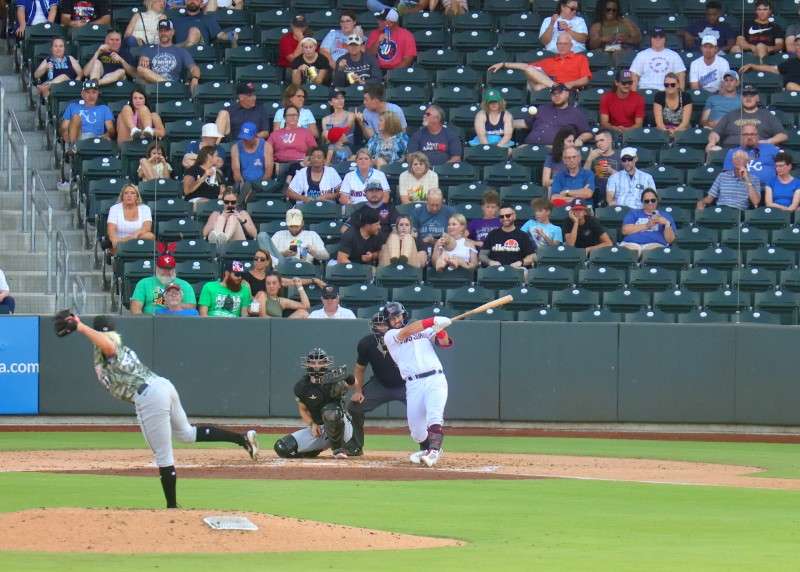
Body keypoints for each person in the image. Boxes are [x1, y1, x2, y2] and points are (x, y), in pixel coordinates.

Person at [52, 311, 258, 509]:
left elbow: (107, 345)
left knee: (163, 454)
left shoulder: (107, 345)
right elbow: (105, 343)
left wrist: (80, 326)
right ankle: (242, 439)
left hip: (149, 396)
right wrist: (80, 324)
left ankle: (171, 507)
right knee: (186, 434)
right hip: (163, 386)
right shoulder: (115, 344)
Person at [381, 302, 454, 467]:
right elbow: (407, 331)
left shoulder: (424, 330)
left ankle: (434, 451)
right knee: (417, 432)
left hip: (435, 378)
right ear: (388, 322)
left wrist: (440, 330)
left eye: (398, 316)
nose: (396, 320)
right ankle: (429, 448)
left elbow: (443, 343)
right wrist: (433, 320)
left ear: (403, 315)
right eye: (392, 318)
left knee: (434, 416)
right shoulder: (390, 336)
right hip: (413, 384)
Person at [273, 348, 357, 459]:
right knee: (282, 447)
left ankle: (338, 449)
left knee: (330, 412)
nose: (316, 366)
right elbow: (302, 409)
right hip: (321, 430)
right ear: (307, 364)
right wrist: (312, 424)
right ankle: (315, 450)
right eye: (313, 362)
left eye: (320, 362)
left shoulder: (335, 378)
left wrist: (347, 377)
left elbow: (355, 385)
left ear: (326, 363)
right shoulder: (302, 386)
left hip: (341, 426)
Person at [347, 313, 407, 455]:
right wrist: (358, 391)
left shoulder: (406, 338)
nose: (382, 328)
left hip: (407, 384)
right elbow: (360, 369)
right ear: (373, 326)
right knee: (355, 408)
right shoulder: (366, 343)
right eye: (378, 325)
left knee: (423, 411)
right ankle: (355, 446)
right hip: (380, 384)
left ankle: (428, 448)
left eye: (385, 324)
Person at [488, 34, 591, 92]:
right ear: (556, 45)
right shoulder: (549, 61)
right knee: (529, 70)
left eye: (565, 44)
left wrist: (569, 84)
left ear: (571, 45)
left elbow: (585, 80)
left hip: (569, 92)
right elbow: (526, 67)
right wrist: (504, 64)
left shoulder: (580, 59)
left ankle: (555, 87)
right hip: (550, 93)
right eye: (559, 44)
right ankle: (554, 86)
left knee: (539, 86)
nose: (562, 46)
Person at [706, 85, 787, 150]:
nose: (748, 98)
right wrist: (712, 142)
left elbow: (783, 135)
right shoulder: (730, 115)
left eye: (751, 95)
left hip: (757, 150)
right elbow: (715, 132)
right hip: (731, 150)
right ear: (741, 98)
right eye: (745, 95)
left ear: (757, 98)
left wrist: (767, 142)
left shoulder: (767, 115)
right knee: (711, 149)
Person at [519, 83, 591, 146]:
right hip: (528, 146)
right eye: (554, 94)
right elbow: (526, 123)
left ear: (567, 94)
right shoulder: (542, 108)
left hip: (554, 150)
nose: (556, 96)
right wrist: (509, 122)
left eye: (560, 93)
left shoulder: (575, 113)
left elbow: (588, 133)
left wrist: (580, 139)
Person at [137, 20, 201, 88]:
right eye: (161, 31)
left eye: (166, 30)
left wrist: (195, 78)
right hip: (155, 87)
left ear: (173, 32)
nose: (163, 33)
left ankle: (170, 85)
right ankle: (169, 84)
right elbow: (141, 71)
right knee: (140, 69)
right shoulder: (148, 50)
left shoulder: (181, 51)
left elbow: (194, 68)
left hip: (174, 87)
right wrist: (143, 60)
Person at [130, 254, 196, 315]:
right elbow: (135, 309)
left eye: (169, 269)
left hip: (178, 320)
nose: (167, 272)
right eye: (163, 269)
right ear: (157, 268)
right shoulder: (144, 283)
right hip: (150, 322)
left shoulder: (185, 285)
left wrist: (172, 303)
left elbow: (192, 307)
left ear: (174, 269)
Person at [619, 189, 675, 260]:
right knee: (631, 253)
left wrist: (667, 224)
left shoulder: (665, 216)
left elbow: (670, 240)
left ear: (657, 200)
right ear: (642, 202)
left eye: (653, 200)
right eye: (646, 201)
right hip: (632, 243)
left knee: (650, 254)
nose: (650, 203)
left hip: (655, 244)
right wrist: (647, 225)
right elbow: (625, 230)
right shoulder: (634, 213)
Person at [61, 80, 114, 153]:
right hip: (79, 138)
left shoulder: (104, 108)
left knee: (108, 139)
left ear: (98, 94)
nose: (91, 96)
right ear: (82, 94)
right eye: (87, 92)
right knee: (76, 117)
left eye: (94, 92)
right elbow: (64, 127)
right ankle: (72, 148)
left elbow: (111, 129)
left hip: (98, 138)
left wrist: (106, 135)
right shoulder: (72, 106)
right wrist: (66, 135)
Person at [697, 150, 762, 210]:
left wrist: (747, 179)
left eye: (742, 158)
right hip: (721, 209)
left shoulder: (754, 179)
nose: (738, 160)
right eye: (736, 158)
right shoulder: (722, 176)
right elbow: (710, 198)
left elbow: (755, 202)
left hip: (737, 212)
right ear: (732, 161)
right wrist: (702, 202)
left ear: (747, 162)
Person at [266, 105, 318, 178]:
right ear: (284, 118)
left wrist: (306, 161)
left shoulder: (306, 133)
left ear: (298, 116)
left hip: (301, 165)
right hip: (281, 165)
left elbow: (314, 151)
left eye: (295, 115)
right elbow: (267, 151)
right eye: (289, 115)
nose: (293, 117)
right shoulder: (275, 134)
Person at [630, 27, 686, 91]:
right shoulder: (641, 55)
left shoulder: (674, 55)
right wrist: (634, 94)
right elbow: (634, 76)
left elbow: (681, 75)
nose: (658, 39)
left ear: (665, 39)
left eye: (661, 37)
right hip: (645, 89)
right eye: (655, 37)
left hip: (666, 91)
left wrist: (681, 94)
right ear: (651, 39)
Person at [106, 184, 154, 253]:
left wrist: (132, 237)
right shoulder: (114, 208)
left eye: (132, 193)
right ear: (122, 197)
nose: (129, 195)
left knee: (149, 235)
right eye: (126, 193)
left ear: (137, 197)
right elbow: (111, 230)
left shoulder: (145, 208)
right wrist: (115, 239)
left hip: (137, 239)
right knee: (113, 240)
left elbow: (147, 227)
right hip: (119, 242)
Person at [599, 69, 645, 135]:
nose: (627, 85)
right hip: (612, 132)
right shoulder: (606, 98)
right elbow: (604, 122)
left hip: (632, 133)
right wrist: (614, 128)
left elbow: (639, 124)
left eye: (630, 83)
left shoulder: (638, 98)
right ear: (616, 83)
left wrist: (627, 130)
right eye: (624, 83)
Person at [583, 129, 619, 206]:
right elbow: (584, 178)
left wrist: (612, 171)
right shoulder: (593, 156)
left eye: (602, 140)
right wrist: (589, 159)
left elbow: (628, 178)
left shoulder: (620, 156)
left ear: (610, 140)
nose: (599, 144)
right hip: (596, 196)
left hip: (616, 196)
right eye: (597, 141)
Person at [230, 122, 269, 191]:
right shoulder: (235, 147)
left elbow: (268, 170)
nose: (245, 140)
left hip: (261, 184)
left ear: (255, 136)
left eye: (248, 138)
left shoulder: (266, 146)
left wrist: (261, 186)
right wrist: (243, 188)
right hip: (243, 184)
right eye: (243, 138)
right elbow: (236, 171)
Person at [653, 72, 693, 137]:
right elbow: (659, 122)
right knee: (658, 128)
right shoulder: (659, 96)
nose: (669, 86)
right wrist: (666, 131)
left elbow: (685, 122)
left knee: (684, 128)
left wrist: (675, 131)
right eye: (666, 85)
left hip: (681, 128)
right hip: (664, 128)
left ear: (678, 85)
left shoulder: (686, 96)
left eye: (673, 85)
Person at [322, 88, 356, 164]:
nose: (340, 100)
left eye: (342, 98)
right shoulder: (326, 119)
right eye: (337, 98)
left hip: (348, 147)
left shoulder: (350, 115)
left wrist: (333, 135)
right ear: (330, 102)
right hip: (332, 149)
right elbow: (328, 138)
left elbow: (346, 130)